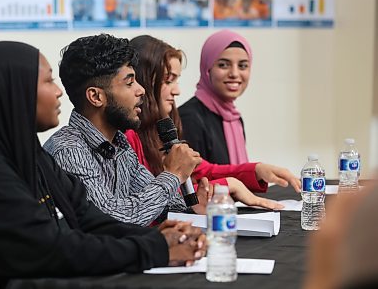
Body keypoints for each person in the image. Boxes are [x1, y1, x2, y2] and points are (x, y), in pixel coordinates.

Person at [0, 41, 206, 288]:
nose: (59, 91)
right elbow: (48, 249)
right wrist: (156, 249)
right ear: (14, 92)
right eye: (48, 80)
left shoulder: (23, 152)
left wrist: (154, 238)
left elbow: (87, 217)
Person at [44, 34, 205, 227]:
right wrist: (172, 175)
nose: (141, 90)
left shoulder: (119, 142)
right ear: (96, 96)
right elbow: (113, 221)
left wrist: (194, 210)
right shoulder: (69, 150)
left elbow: (164, 208)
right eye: (129, 83)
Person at [128, 35, 299, 207]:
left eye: (243, 66)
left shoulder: (161, 126)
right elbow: (154, 200)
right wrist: (226, 185)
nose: (177, 90)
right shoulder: (132, 135)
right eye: (168, 80)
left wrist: (256, 170)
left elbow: (202, 169)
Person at [179, 29, 253, 165]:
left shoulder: (234, 118)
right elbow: (195, 181)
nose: (235, 74)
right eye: (223, 65)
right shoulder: (189, 118)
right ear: (207, 68)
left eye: (243, 66)